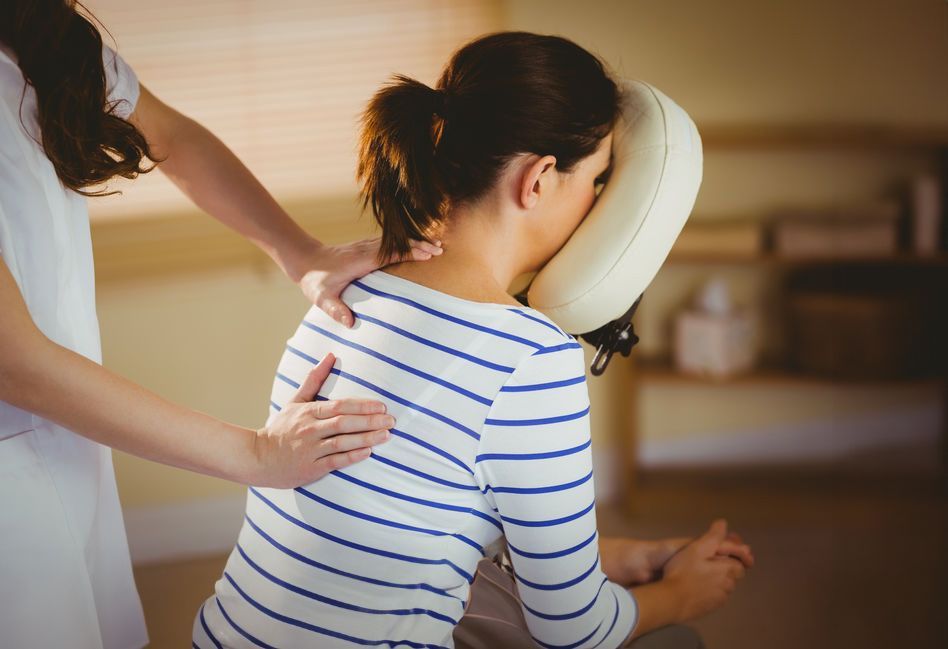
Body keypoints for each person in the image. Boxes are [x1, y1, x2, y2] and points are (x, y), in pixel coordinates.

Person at [193, 31, 753, 649]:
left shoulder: (347, 292)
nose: (598, 205)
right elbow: (575, 632)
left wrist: (607, 557)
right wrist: (678, 595)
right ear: (538, 180)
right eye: (596, 183)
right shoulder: (531, 358)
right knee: (674, 641)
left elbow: (414, 514)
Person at [0, 2, 442, 648]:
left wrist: (300, 252)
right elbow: (16, 363)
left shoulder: (41, 37)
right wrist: (256, 454)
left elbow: (174, 138)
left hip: (71, 451)